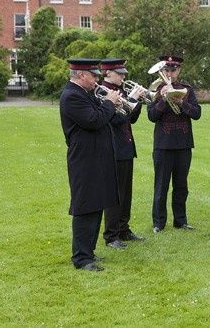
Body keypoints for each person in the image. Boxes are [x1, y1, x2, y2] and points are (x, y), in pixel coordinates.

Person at [59, 58, 122, 271]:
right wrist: (110, 103)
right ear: (81, 75)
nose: (97, 79)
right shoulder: (71, 96)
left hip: (96, 158)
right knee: (85, 206)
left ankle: (89, 251)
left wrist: (114, 105)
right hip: (84, 160)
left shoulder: (85, 94)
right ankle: (82, 258)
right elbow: (94, 120)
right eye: (93, 75)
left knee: (96, 204)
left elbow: (105, 118)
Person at [147, 55, 201, 233]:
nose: (170, 73)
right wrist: (162, 99)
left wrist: (181, 102)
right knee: (161, 185)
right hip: (163, 144)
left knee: (181, 186)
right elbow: (152, 116)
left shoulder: (187, 89)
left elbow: (197, 113)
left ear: (179, 71)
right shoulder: (156, 89)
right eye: (167, 70)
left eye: (173, 70)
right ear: (162, 71)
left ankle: (181, 221)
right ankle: (158, 223)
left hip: (183, 144)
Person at [99, 58, 146, 250]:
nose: (124, 76)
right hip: (113, 147)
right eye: (119, 73)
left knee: (126, 193)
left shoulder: (122, 91)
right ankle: (111, 235)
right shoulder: (103, 92)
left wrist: (138, 101)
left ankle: (124, 228)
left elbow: (131, 119)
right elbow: (116, 120)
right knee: (114, 194)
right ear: (107, 73)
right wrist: (132, 100)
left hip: (126, 146)